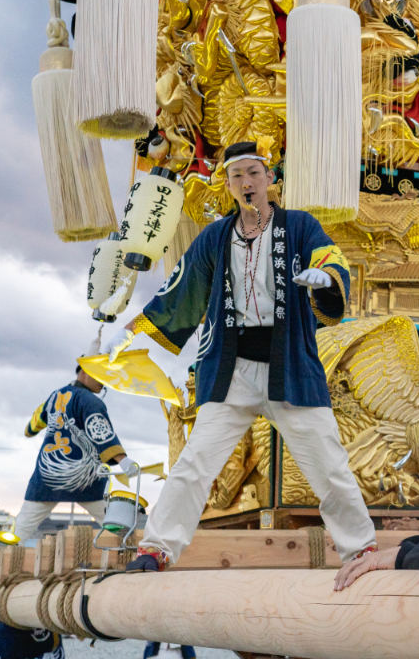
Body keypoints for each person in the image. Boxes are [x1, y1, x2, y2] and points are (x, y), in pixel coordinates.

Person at [105, 141, 376, 571]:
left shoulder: (300, 226)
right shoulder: (215, 236)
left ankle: (360, 550)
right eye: (237, 176)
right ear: (228, 185)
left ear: (270, 178)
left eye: (253, 173)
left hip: (290, 365)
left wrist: (324, 278)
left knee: (328, 464)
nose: (246, 182)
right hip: (233, 371)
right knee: (194, 463)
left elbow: (330, 256)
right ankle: (157, 547)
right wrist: (128, 332)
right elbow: (180, 290)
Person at [15, 341, 140, 542]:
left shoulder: (56, 395)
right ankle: (136, 553)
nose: (104, 381)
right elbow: (101, 432)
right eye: (100, 375)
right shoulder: (90, 401)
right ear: (84, 373)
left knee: (21, 529)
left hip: (49, 477)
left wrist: (30, 429)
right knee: (116, 526)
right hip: (84, 479)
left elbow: (36, 422)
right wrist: (123, 460)